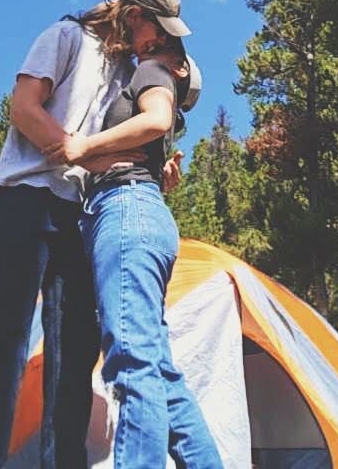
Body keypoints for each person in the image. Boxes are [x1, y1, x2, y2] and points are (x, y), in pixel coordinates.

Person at [0, 0, 192, 469]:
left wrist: (148, 165)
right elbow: (23, 108)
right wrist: (76, 153)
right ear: (133, 13)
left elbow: (157, 104)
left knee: (75, 357)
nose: (157, 41)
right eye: (155, 30)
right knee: (3, 344)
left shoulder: (130, 70)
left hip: (78, 214)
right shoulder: (63, 38)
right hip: (24, 198)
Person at [51, 38, 224, 469]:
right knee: (157, 372)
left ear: (180, 70)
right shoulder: (147, 105)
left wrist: (81, 147)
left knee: (133, 364)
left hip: (126, 213)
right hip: (138, 215)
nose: (147, 49)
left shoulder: (153, 71)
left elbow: (153, 119)